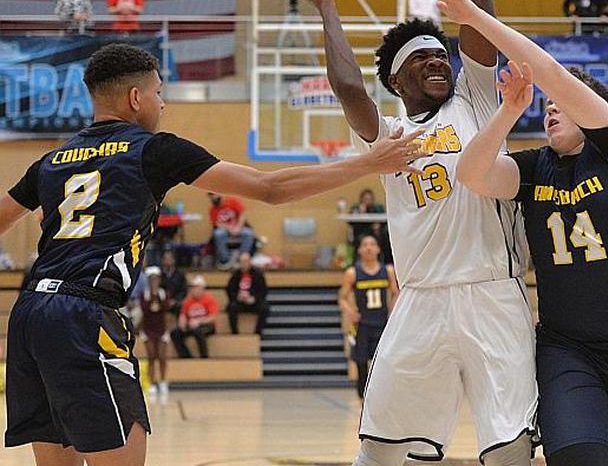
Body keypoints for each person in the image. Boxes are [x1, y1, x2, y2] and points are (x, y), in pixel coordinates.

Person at [0, 42, 422, 464]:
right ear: (135, 98)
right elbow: (269, 188)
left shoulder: (52, 160)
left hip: (29, 312)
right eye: (159, 93)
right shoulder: (154, 149)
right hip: (84, 314)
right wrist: (367, 164)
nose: (162, 104)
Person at [281, 0, 535, 465]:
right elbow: (348, 85)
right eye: (421, 59)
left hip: (493, 291)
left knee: (510, 450)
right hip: (420, 299)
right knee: (379, 451)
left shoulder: (476, 102)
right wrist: (327, 2)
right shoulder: (389, 134)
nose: (437, 61)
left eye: (440, 54)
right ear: (398, 81)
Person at [425, 0, 608, 466]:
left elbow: (551, 73)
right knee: (577, 456)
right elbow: (473, 174)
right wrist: (506, 114)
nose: (551, 108)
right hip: (569, 350)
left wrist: (472, 15)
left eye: (561, 104)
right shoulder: (535, 165)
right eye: (546, 108)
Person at [338, 234, 399, 401]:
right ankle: (362, 397)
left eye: (372, 244)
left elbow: (396, 293)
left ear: (378, 249)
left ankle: (383, 394)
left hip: (382, 323)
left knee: (383, 361)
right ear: (359, 250)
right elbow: (342, 297)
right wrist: (350, 312)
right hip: (362, 324)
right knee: (361, 360)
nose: (369, 248)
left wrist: (392, 312)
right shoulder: (352, 273)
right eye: (365, 245)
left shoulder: (387, 271)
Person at [138, 270, 173, 400]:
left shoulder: (164, 294)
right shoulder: (145, 294)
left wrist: (158, 305)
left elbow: (166, 306)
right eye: (152, 279)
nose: (154, 282)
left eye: (156, 279)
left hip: (161, 329)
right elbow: (144, 308)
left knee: (162, 357)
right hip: (148, 329)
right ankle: (152, 383)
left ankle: (163, 381)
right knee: (151, 356)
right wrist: (151, 303)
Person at [171, 275, 219, 359]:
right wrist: (182, 323)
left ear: (202, 288)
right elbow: (183, 314)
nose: (193, 290)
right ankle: (186, 356)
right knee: (175, 333)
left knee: (198, 332)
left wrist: (199, 321)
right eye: (192, 288)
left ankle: (204, 357)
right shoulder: (188, 300)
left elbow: (212, 317)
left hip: (206, 325)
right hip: (191, 325)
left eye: (196, 287)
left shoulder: (209, 299)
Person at [208, 193, 256, 269]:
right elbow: (217, 224)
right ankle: (226, 259)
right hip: (225, 231)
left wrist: (238, 227)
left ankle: (242, 258)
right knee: (218, 234)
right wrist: (230, 229)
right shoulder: (212, 210)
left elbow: (242, 214)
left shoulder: (232, 201)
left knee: (248, 233)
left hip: (239, 228)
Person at [226, 252, 269, 336]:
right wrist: (237, 297)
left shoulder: (258, 274)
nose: (244, 264)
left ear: (250, 262)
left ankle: (258, 332)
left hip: (253, 302)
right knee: (231, 307)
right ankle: (235, 332)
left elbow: (263, 291)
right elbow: (230, 290)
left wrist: (254, 299)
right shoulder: (235, 275)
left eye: (246, 261)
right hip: (240, 302)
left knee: (265, 308)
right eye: (242, 261)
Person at [160, 250, 186, 314]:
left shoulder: (180, 275)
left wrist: (176, 300)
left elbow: (183, 290)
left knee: (181, 306)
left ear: (173, 260)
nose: (167, 261)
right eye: (165, 259)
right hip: (162, 301)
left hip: (176, 302)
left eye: (169, 259)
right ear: (162, 260)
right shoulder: (160, 275)